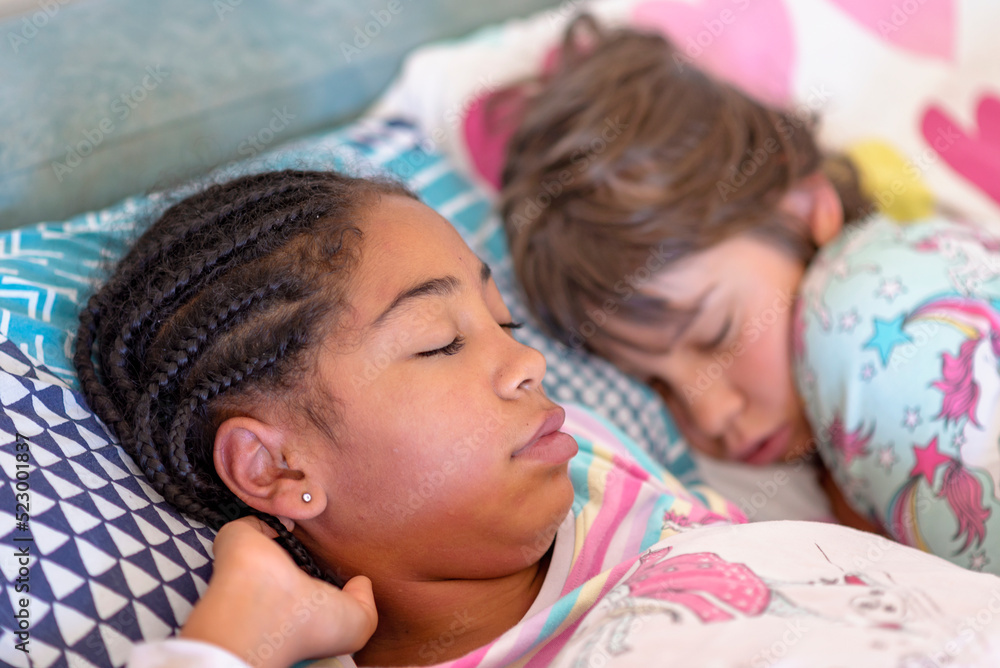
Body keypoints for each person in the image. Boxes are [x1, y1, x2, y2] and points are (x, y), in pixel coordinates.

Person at [75, 169, 1000, 667]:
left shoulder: (583, 471)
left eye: (504, 321)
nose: (526, 361)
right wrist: (228, 641)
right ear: (278, 471)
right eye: (441, 341)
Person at [497, 15, 1000, 567]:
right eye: (659, 386)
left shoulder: (873, 295)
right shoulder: (825, 443)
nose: (710, 414)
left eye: (717, 334)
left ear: (806, 204)